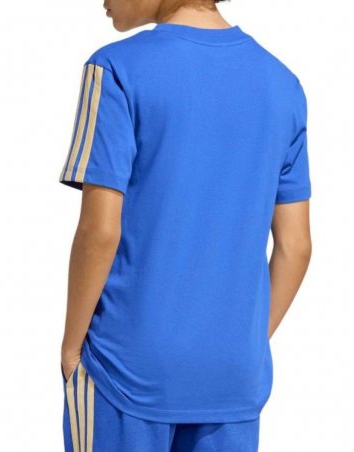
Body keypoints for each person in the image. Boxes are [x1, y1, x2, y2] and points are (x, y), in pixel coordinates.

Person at [58, 0, 312, 450]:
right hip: (232, 376)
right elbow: (296, 247)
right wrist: (245, 343)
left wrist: (71, 347)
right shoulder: (283, 85)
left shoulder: (115, 69)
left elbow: (100, 231)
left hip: (126, 370)